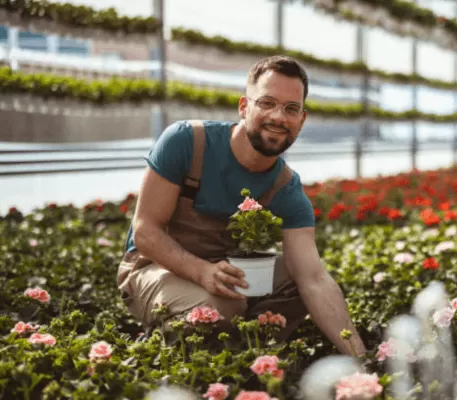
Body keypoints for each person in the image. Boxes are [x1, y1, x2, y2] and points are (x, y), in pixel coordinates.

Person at [116, 55, 366, 356]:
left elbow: (314, 279)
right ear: (244, 107)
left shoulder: (285, 187)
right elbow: (145, 232)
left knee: (299, 279)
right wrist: (201, 272)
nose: (278, 117)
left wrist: (361, 359)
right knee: (220, 307)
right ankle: (173, 339)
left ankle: (239, 347)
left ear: (302, 119)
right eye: (267, 103)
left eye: (291, 109)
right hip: (153, 268)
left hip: (224, 277)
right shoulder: (187, 142)